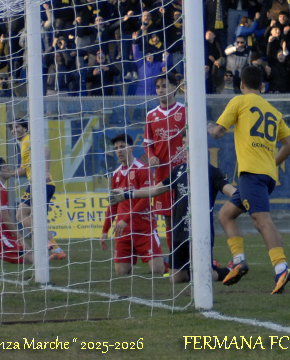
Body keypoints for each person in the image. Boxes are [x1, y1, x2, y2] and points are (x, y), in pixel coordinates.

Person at [207, 65, 290, 294]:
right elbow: (289, 146)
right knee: (226, 215)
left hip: (251, 174)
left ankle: (281, 267)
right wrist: (271, 163)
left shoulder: (239, 101)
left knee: (261, 220)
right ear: (262, 86)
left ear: (241, 85)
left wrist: (207, 126)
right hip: (266, 175)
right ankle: (239, 261)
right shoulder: (273, 112)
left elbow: (218, 133)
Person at [109, 162, 235, 283]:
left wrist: (241, 199)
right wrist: (127, 194)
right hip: (179, 232)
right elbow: (155, 190)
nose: (185, 150)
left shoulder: (211, 171)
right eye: (184, 147)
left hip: (200, 232)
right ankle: (202, 269)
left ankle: (228, 270)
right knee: (175, 279)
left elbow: (230, 191)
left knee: (204, 277)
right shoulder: (178, 170)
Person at [99, 133, 165, 276]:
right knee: (121, 272)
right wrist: (105, 230)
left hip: (144, 228)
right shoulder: (116, 174)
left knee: (157, 270)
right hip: (123, 230)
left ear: (132, 148)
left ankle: (165, 263)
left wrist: (125, 219)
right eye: (116, 148)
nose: (119, 151)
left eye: (122, 147)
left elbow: (146, 199)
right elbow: (113, 204)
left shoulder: (143, 169)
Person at [144, 72, 186, 255]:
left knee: (186, 216)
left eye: (164, 86)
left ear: (174, 88)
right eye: (158, 87)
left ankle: (191, 256)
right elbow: (148, 144)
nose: (160, 90)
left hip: (183, 174)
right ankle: (173, 257)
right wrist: (152, 156)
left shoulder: (185, 111)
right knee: (168, 219)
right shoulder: (151, 115)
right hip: (162, 177)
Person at [12, 120, 65, 260]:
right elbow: (24, 169)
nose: (13, 130)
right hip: (40, 184)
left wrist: (46, 171)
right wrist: (8, 174)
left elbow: (46, 150)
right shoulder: (23, 143)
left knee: (21, 215)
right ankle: (57, 250)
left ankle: (47, 243)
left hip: (40, 183)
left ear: (25, 128)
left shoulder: (28, 139)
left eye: (16, 127)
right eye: (11, 128)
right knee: (35, 219)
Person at [0, 157, 34, 265]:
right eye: (5, 167)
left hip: (1, 232)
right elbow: (5, 218)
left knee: (31, 255)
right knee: (31, 259)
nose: (8, 168)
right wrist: (21, 239)